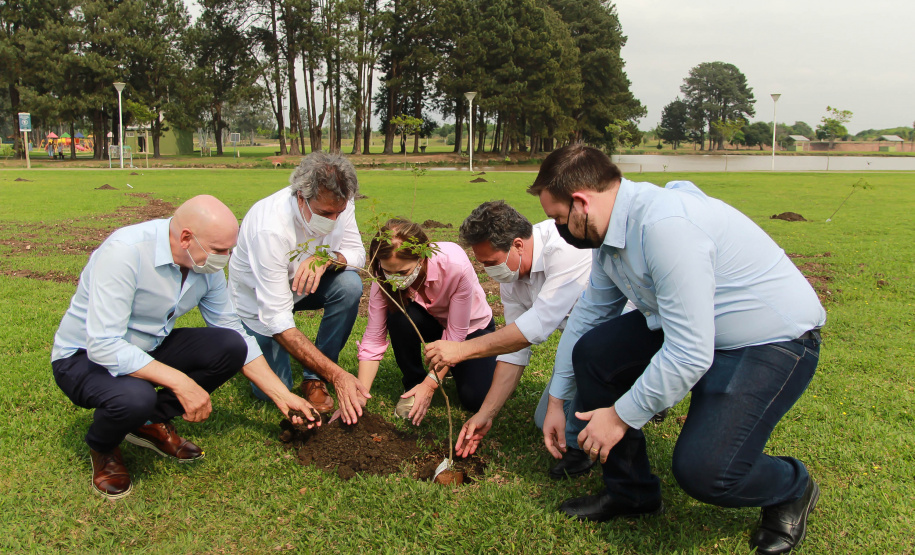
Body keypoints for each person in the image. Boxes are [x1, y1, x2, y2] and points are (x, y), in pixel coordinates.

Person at [530, 144, 826, 555]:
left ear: (581, 201)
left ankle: (793, 486)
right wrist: (559, 400)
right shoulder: (610, 236)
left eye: (559, 218)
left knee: (707, 471)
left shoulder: (664, 225)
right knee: (594, 353)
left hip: (770, 340)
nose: (559, 228)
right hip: (695, 329)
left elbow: (689, 352)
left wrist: (619, 416)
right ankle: (631, 492)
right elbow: (588, 318)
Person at [51, 195, 319, 500]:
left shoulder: (205, 265)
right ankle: (103, 446)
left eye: (230, 249)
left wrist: (283, 395)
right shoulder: (124, 252)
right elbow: (103, 345)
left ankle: (148, 423)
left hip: (148, 347)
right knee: (134, 397)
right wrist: (182, 382)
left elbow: (233, 331)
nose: (226, 259)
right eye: (220, 250)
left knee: (229, 345)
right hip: (83, 357)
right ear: (186, 237)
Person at [424, 200, 595, 479]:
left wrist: (462, 350)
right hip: (581, 344)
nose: (489, 271)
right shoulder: (511, 276)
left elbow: (536, 326)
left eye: (491, 263)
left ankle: (637, 393)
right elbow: (515, 348)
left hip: (623, 333)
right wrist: (486, 414)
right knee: (545, 420)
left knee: (577, 425)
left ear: (517, 244)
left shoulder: (565, 249)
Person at [229, 152, 369, 422]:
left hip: (304, 286)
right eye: (325, 213)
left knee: (349, 285)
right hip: (260, 301)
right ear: (301, 197)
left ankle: (314, 378)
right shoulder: (270, 228)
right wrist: (338, 375)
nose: (333, 220)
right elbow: (277, 318)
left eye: (338, 212)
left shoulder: (341, 201)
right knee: (270, 389)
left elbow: (357, 255)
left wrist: (328, 259)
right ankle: (249, 347)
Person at [357, 219, 496, 425]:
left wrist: (431, 385)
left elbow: (456, 334)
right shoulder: (382, 277)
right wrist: (360, 395)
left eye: (403, 272)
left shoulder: (455, 265)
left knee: (475, 399)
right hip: (431, 325)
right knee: (400, 317)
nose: (395, 279)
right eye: (389, 271)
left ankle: (448, 372)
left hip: (470, 331)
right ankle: (414, 384)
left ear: (421, 258)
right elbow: (374, 338)